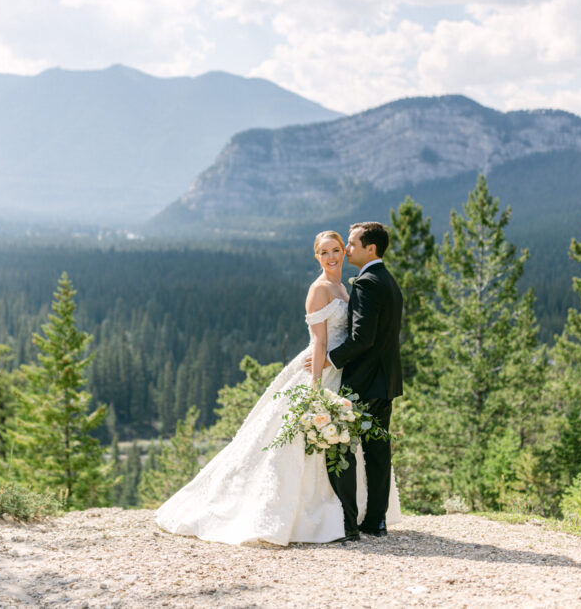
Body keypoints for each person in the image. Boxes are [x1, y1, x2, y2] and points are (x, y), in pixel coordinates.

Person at [154, 230, 401, 545]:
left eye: (338, 249)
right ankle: (325, 518)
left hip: (342, 373)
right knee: (314, 444)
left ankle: (345, 517)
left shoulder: (344, 287)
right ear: (316, 256)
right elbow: (319, 341)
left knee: (339, 445)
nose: (333, 256)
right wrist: (315, 389)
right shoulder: (319, 290)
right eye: (324, 252)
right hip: (322, 369)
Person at [307, 221, 403, 540]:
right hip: (386, 380)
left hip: (363, 381)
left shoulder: (365, 284)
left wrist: (328, 360)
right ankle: (375, 520)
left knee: (341, 448)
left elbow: (362, 338)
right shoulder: (388, 280)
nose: (346, 251)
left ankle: (346, 523)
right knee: (377, 451)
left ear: (369, 248)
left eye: (350, 244)